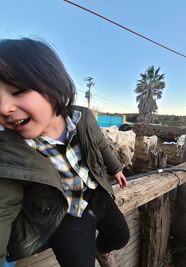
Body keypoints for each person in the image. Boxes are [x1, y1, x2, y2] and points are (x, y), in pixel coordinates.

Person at [0, 38, 130, 267]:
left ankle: (102, 249)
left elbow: (100, 144)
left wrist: (116, 168)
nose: (3, 108)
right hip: (62, 213)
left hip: (95, 192)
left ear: (53, 86)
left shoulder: (83, 119)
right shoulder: (11, 150)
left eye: (18, 90)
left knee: (121, 236)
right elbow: (4, 204)